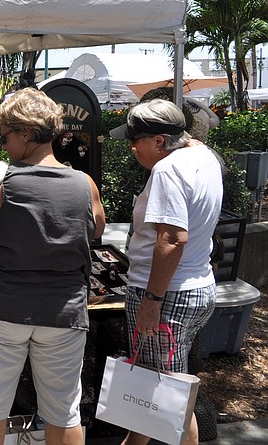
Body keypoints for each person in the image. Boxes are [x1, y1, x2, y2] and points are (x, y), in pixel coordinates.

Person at [0, 87, 105, 445]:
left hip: (3, 308)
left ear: (25, 132)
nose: (3, 144)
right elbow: (96, 230)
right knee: (64, 412)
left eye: (5, 136)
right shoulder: (84, 184)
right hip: (63, 312)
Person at [109, 99, 222, 445]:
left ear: (159, 141)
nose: (131, 147)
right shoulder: (203, 155)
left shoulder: (168, 170)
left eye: (135, 140)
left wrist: (152, 300)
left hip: (167, 293)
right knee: (154, 385)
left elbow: (172, 238)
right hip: (195, 285)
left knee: (170, 396)